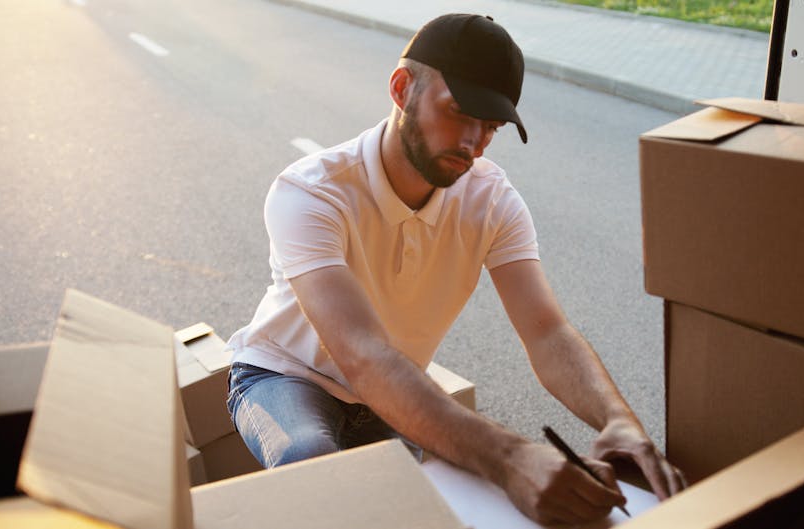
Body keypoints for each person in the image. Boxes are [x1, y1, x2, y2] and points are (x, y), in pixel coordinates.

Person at [225, 13, 685, 524]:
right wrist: (511, 458)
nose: (475, 141)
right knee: (315, 467)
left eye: (491, 126)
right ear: (402, 89)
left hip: (392, 393)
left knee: (421, 506)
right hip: (285, 376)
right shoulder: (311, 192)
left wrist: (618, 419)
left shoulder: (492, 200)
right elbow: (363, 355)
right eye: (460, 112)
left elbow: (548, 333)